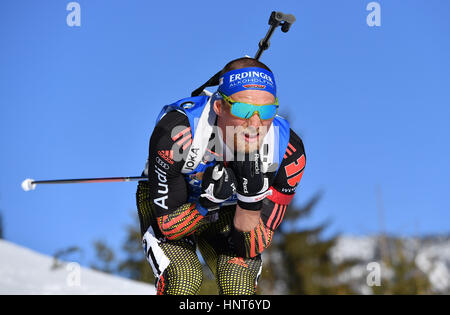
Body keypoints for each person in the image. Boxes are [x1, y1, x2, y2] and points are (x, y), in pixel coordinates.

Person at [136, 57, 306, 295]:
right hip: (177, 207)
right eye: (243, 109)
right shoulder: (177, 132)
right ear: (219, 106)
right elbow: (168, 228)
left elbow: (251, 246)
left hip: (231, 209)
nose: (255, 123)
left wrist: (251, 200)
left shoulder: (287, 150)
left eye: (266, 110)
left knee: (238, 283)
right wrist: (206, 203)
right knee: (183, 278)